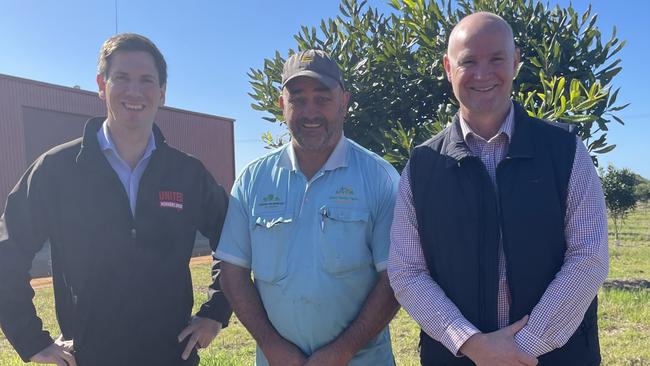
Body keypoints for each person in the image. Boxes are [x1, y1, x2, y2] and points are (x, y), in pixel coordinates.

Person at [388, 12, 608, 366]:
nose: (482, 74)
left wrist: (523, 347)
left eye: (496, 59)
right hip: (457, 358)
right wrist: (473, 344)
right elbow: (408, 272)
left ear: (517, 60)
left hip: (555, 356)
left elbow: (588, 257)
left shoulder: (566, 151)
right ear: (447, 67)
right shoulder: (421, 166)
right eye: (468, 61)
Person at [0, 33, 232, 366]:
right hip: (91, 356)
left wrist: (216, 311)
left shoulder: (187, 173)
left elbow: (234, 241)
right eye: (121, 78)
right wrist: (30, 339)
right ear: (101, 84)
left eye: (147, 80)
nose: (134, 91)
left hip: (172, 354)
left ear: (162, 91)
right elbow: (7, 250)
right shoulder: (57, 170)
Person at [216, 49, 400, 366]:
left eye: (322, 98)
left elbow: (395, 278)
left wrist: (342, 351)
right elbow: (233, 271)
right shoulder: (252, 179)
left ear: (344, 101)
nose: (309, 111)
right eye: (298, 99)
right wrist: (271, 345)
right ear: (281, 105)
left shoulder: (380, 178)